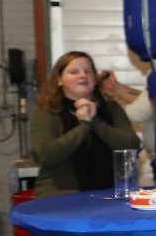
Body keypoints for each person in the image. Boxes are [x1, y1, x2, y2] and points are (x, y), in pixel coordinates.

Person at [31, 51, 141, 198]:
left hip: (110, 192)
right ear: (59, 80)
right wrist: (83, 125)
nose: (82, 75)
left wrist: (94, 120)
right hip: (60, 194)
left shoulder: (111, 108)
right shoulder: (47, 110)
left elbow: (132, 145)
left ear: (95, 79)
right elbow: (47, 155)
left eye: (88, 71)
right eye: (74, 72)